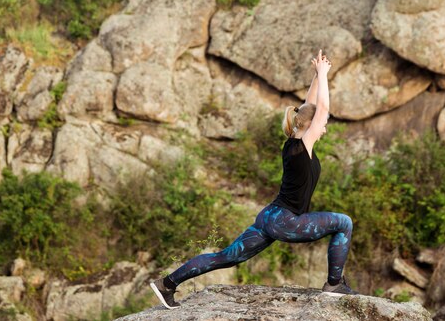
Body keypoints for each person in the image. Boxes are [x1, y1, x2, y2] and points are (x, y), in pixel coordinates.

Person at [150, 49, 358, 309]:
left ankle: (166, 284)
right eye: (322, 123)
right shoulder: (302, 146)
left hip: (270, 216)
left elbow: (310, 107)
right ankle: (334, 284)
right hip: (286, 221)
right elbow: (321, 109)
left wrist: (317, 76)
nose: (324, 126)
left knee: (226, 256)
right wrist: (326, 75)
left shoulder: (294, 142)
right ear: (310, 126)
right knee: (344, 223)